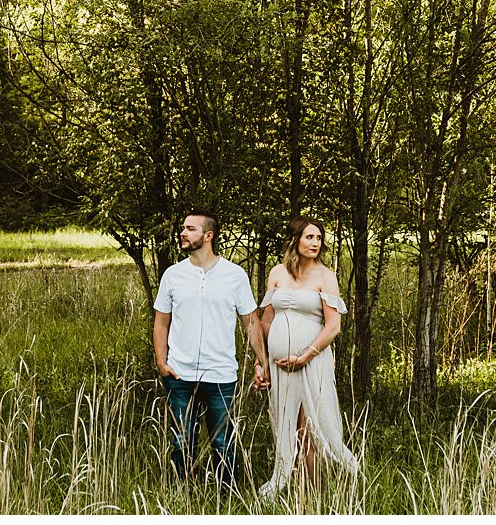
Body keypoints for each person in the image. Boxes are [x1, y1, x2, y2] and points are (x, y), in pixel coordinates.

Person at [152, 209, 269, 490]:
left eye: (190, 229)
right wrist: (161, 362)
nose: (183, 232)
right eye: (183, 227)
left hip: (220, 374)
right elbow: (161, 322)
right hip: (179, 374)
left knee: (223, 442)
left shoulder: (234, 275)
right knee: (181, 441)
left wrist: (262, 361)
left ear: (208, 235)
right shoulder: (173, 275)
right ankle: (182, 494)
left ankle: (225, 497)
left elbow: (251, 322)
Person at [255, 215, 359, 498]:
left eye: (318, 238)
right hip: (279, 366)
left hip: (311, 363)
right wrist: (260, 362)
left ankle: (313, 497)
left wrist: (305, 355)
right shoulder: (277, 273)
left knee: (309, 427)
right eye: (309, 237)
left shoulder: (326, 276)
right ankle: (294, 488)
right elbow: (266, 320)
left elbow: (333, 325)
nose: (315, 243)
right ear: (295, 239)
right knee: (286, 427)